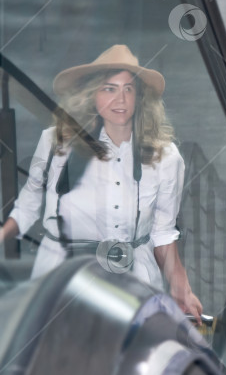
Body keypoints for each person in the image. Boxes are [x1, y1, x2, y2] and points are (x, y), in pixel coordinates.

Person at [0, 45, 202, 322]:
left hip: (135, 284)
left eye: (129, 89)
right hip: (62, 277)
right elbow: (29, 203)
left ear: (139, 97)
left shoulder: (165, 158)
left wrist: (183, 289)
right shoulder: (55, 142)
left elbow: (163, 234)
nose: (120, 99)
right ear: (92, 95)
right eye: (109, 88)